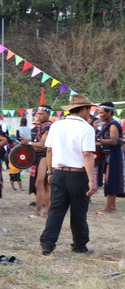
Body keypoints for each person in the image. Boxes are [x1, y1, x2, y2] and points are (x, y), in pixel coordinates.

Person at [40, 94, 97, 255]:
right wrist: (92, 181)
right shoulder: (86, 128)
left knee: (56, 210)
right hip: (78, 175)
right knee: (79, 211)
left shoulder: (56, 126)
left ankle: (47, 244)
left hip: (58, 172)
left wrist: (50, 172)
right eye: (89, 109)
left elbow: (49, 150)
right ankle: (79, 245)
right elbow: (87, 155)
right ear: (84, 109)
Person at [21, 104, 53, 218]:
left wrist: (28, 143)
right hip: (42, 157)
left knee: (40, 184)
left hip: (45, 157)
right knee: (45, 185)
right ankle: (47, 211)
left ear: (48, 114)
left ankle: (39, 211)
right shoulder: (43, 125)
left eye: (42, 114)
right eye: (37, 114)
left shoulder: (47, 126)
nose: (38, 116)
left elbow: (44, 145)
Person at [96, 102, 124, 214]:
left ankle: (109, 208)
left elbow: (113, 141)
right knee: (109, 180)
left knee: (111, 180)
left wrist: (99, 140)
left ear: (110, 112)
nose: (100, 114)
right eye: (99, 112)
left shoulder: (113, 124)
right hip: (108, 155)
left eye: (102, 112)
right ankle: (111, 207)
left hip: (114, 155)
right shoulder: (105, 124)